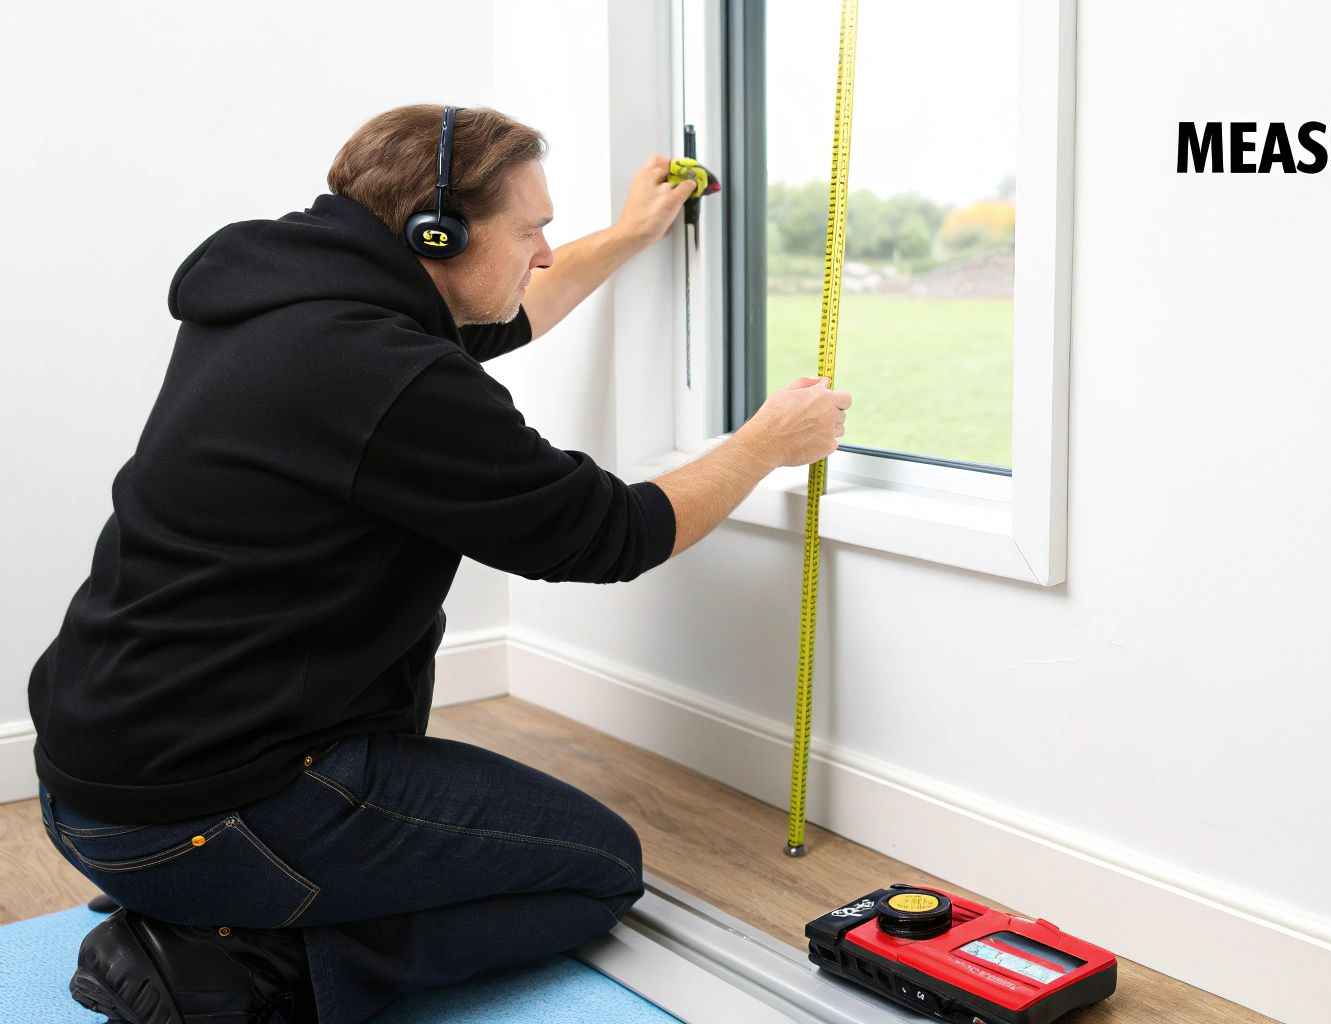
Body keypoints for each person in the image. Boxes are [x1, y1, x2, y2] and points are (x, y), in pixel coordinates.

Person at [28, 104, 852, 1024]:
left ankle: (209, 899)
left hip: (90, 784)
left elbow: (504, 312)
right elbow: (613, 533)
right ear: (438, 233)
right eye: (531, 229)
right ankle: (240, 964)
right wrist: (764, 443)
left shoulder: (287, 300)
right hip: (201, 819)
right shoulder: (388, 374)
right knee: (597, 872)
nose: (545, 250)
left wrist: (626, 235)